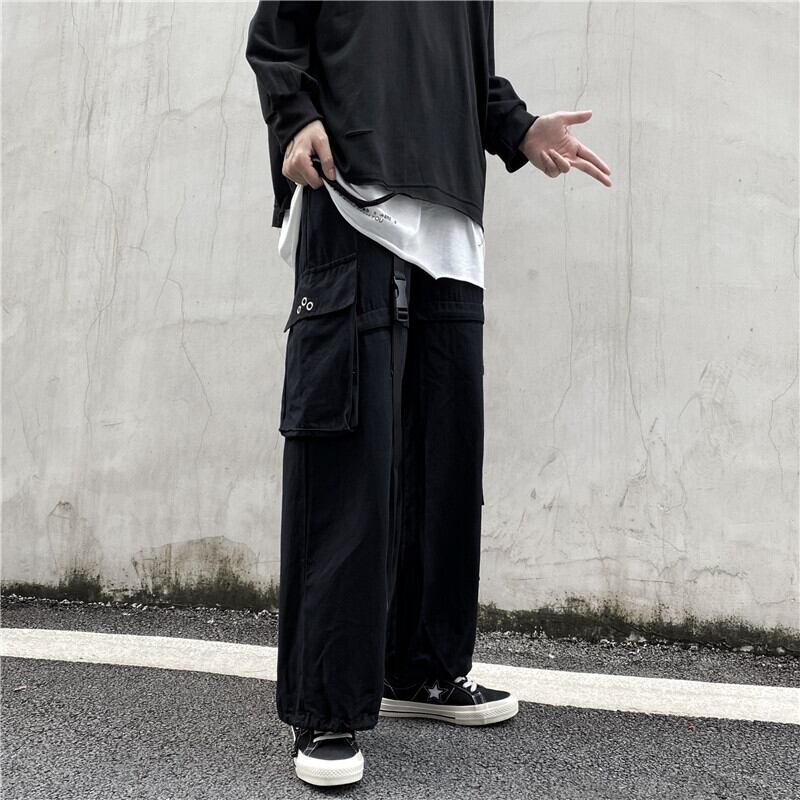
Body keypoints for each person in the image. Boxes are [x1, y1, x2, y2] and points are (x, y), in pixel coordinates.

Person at [245, 0, 611, 788]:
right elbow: (276, 34)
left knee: (444, 465)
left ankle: (421, 669)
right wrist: (295, 117)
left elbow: (466, 74)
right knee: (348, 461)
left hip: (451, 226)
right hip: (355, 196)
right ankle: (325, 706)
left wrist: (519, 127)